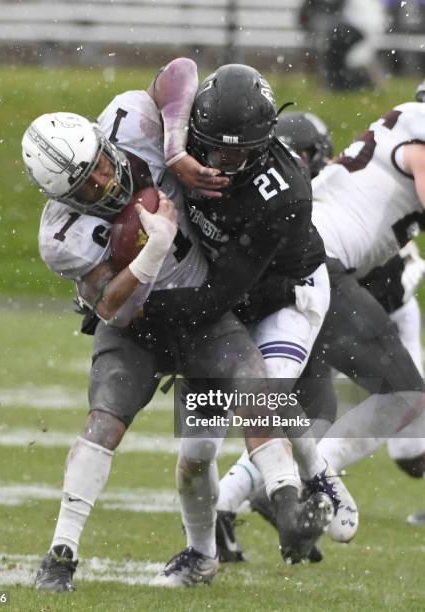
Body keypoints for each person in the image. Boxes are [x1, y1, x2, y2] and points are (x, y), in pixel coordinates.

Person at [21, 59, 333, 591]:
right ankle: (61, 553)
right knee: (106, 420)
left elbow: (179, 71)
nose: (103, 179)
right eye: (86, 186)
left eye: (99, 163)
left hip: (203, 313)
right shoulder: (61, 236)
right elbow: (109, 307)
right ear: (63, 200)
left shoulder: (130, 120)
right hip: (138, 325)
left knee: (252, 392)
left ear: (104, 139)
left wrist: (173, 153)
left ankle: (288, 504)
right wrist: (151, 254)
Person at [140, 64, 359, 562]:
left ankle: (300, 490)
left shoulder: (283, 191)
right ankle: (203, 553)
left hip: (284, 294)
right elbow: (174, 75)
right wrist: (175, 148)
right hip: (222, 296)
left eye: (238, 153)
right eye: (213, 146)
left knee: (263, 394)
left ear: (263, 144)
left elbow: (222, 292)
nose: (221, 161)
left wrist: (143, 312)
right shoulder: (182, 136)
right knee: (196, 453)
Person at [215, 107, 425, 561]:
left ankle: (224, 504)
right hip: (316, 264)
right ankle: (312, 482)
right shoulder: (418, 134)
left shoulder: (397, 127)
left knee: (308, 418)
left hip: (297, 258)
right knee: (406, 396)